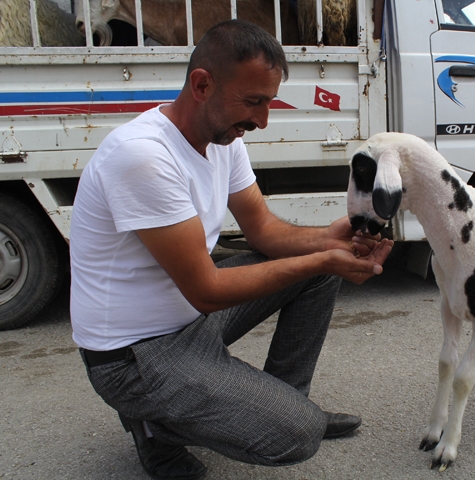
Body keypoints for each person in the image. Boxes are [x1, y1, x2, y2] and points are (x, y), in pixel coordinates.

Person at [70, 19, 393, 480]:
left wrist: (333, 236)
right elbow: (206, 289)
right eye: (253, 102)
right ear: (202, 84)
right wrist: (322, 257)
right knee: (298, 436)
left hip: (187, 323)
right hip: (134, 356)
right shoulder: (143, 155)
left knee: (316, 272)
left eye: (268, 103)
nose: (261, 121)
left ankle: (279, 402)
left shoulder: (223, 139)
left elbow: (262, 230)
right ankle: (154, 425)